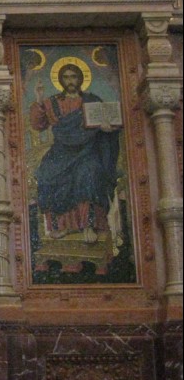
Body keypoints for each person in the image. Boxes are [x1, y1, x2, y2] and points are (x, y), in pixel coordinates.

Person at [29, 63, 120, 244]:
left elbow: (108, 123)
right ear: (61, 80)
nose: (71, 81)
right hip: (62, 151)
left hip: (87, 151)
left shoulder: (92, 100)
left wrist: (108, 128)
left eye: (74, 77)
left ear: (80, 79)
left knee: (89, 172)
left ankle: (89, 225)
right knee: (46, 174)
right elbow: (38, 125)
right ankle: (59, 226)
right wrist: (39, 99)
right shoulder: (53, 102)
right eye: (67, 77)